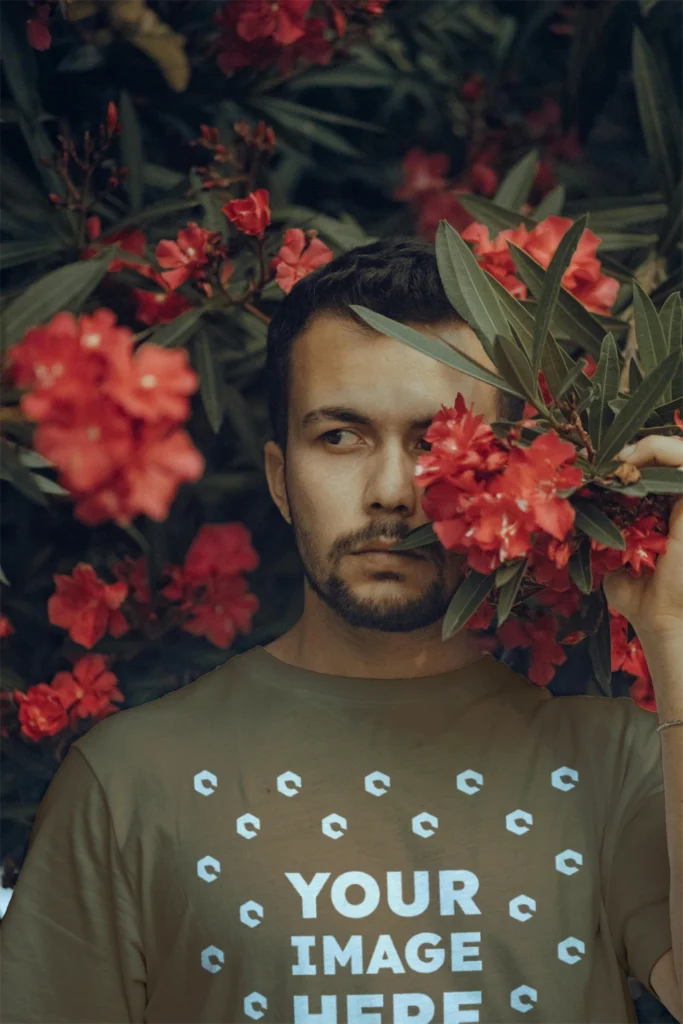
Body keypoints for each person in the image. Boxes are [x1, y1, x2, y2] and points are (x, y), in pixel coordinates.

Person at [0, 237, 679, 1024]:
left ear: (511, 472)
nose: (391, 492)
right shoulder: (126, 783)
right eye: (339, 437)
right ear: (278, 479)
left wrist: (673, 627)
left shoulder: (616, 766)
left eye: (435, 441)